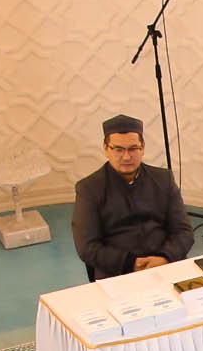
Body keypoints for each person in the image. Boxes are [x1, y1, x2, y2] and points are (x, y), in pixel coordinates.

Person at [72, 115, 193, 279]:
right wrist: (131, 264)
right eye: (118, 149)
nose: (126, 157)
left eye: (133, 149)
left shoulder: (163, 179)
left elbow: (184, 231)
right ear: (106, 149)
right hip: (118, 271)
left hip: (166, 263)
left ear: (142, 148)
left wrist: (164, 258)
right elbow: (87, 247)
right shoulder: (89, 188)